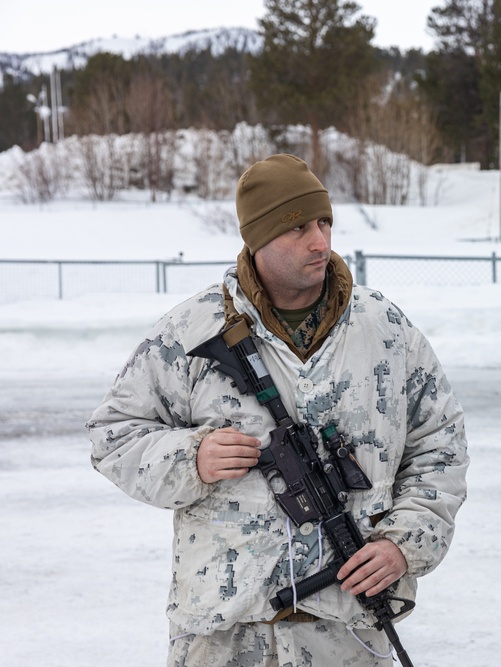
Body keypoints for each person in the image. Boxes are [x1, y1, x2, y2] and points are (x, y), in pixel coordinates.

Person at [87, 154, 469, 666]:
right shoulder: (189, 332)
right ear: (258, 238)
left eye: (325, 222)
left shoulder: (386, 331)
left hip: (349, 632)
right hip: (223, 634)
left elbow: (440, 447)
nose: (320, 242)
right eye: (298, 229)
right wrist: (190, 457)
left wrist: (405, 544)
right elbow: (113, 435)